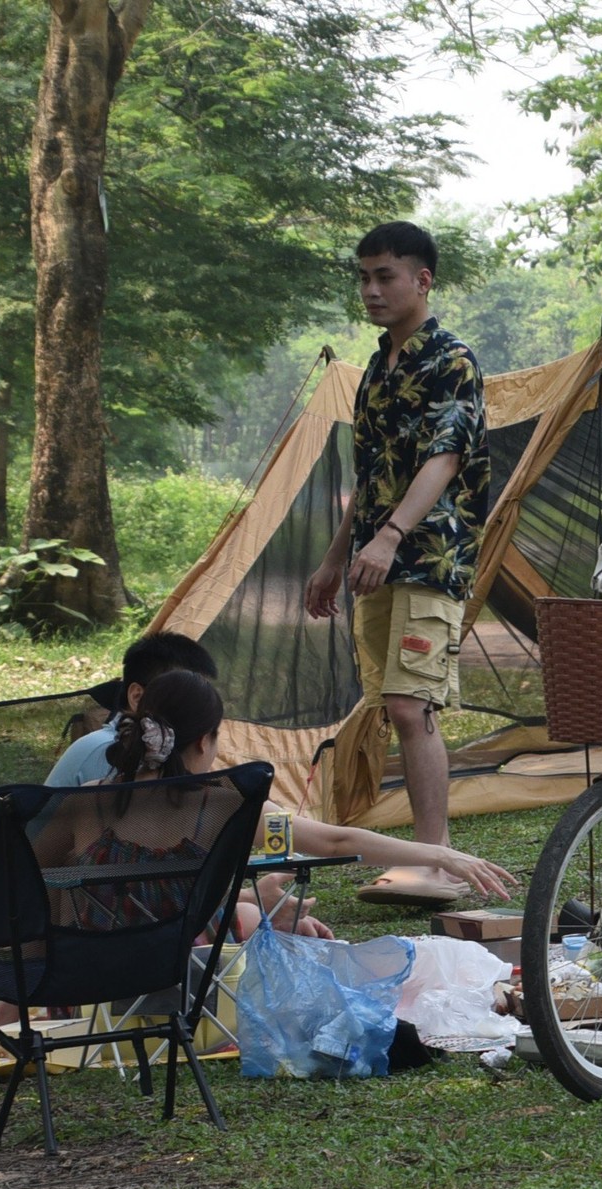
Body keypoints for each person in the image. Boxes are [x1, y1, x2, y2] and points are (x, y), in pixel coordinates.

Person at [305, 221, 489, 899]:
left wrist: (392, 538)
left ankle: (435, 864)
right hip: (374, 560)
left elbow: (444, 457)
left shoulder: (452, 360)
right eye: (363, 277)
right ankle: (425, 858)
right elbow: (371, 476)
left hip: (430, 556)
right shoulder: (377, 369)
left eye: (385, 276)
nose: (372, 289)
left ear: (422, 280)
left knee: (412, 707)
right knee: (394, 705)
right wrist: (336, 555)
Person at [74, 671, 516, 912]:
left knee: (257, 914)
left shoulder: (85, 800)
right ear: (204, 742)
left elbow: (53, 894)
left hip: (78, 979)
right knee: (269, 925)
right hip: (171, 976)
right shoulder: (222, 804)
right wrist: (440, 854)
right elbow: (335, 841)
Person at [46, 631, 217, 788]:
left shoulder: (163, 749)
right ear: (137, 697)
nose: (197, 708)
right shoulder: (112, 752)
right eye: (185, 697)